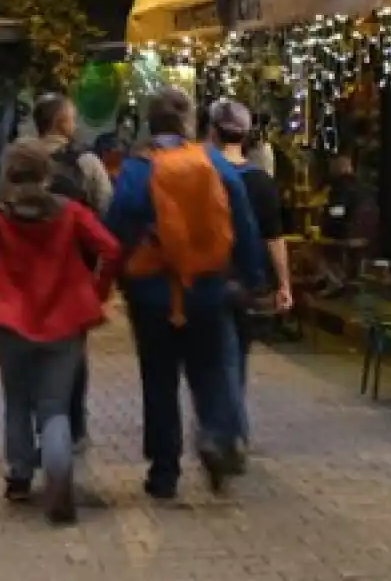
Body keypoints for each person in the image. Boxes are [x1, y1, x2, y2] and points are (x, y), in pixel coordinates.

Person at [105, 88, 266, 500]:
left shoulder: (136, 171)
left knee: (158, 380)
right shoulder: (213, 165)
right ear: (188, 122)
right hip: (209, 289)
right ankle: (215, 435)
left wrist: (117, 279)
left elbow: (117, 227)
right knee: (211, 370)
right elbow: (244, 224)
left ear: (149, 122)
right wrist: (250, 279)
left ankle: (164, 472)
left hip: (152, 295)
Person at [0, 139, 119, 525]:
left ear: (9, 175)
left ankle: (19, 475)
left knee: (16, 400)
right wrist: (94, 294)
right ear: (47, 175)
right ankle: (58, 470)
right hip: (64, 321)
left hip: (9, 323)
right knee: (54, 407)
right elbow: (111, 249)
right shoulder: (71, 213)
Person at [205, 100, 291, 452]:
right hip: (245, 280)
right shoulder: (261, 182)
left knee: (212, 358)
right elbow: (275, 238)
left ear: (212, 130)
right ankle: (231, 431)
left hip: (205, 277)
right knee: (235, 355)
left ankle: (223, 429)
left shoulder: (203, 173)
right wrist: (284, 284)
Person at [30, 92, 111, 451]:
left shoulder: (20, 158)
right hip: (75, 266)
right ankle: (74, 425)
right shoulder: (87, 162)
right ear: (61, 122)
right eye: (72, 117)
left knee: (33, 340)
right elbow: (106, 205)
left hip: (27, 267)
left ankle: (43, 417)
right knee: (73, 347)